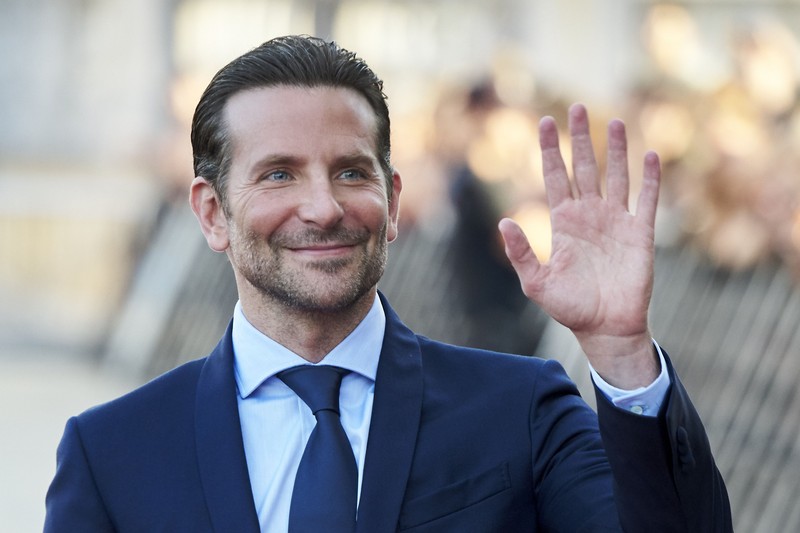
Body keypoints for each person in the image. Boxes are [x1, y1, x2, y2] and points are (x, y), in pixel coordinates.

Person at [44, 35, 732, 532]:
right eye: (279, 173)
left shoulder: (522, 411)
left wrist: (621, 351)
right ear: (211, 211)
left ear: (394, 200)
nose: (324, 206)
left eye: (350, 171)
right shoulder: (112, 453)